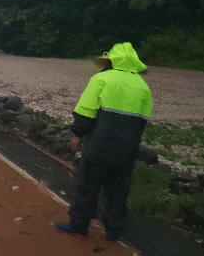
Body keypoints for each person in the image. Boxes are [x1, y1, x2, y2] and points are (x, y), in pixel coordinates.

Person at [55, 42, 153, 243]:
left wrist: (77, 134)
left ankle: (79, 225)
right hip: (127, 149)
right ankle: (113, 232)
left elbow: (86, 110)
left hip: (100, 145)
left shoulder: (102, 79)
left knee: (88, 186)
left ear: (110, 62)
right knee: (118, 190)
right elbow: (142, 121)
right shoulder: (142, 86)